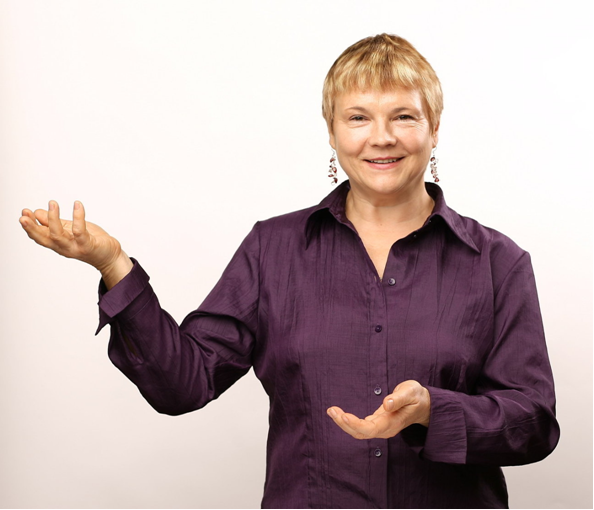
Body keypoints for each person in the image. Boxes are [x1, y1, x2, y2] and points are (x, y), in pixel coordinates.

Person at [19, 34, 559, 509]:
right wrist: (113, 265)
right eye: (358, 117)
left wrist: (432, 411)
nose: (382, 137)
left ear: (434, 128)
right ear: (332, 132)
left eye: (403, 116)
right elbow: (184, 383)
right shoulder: (272, 250)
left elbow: (533, 423)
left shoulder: (499, 263)